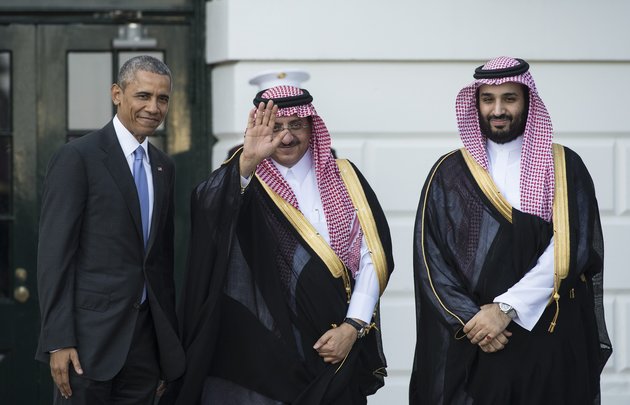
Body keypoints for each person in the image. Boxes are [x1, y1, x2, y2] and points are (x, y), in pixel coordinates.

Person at [172, 85, 394, 404]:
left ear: (311, 126)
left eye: (295, 125)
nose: (287, 137)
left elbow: (372, 256)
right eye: (276, 127)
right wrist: (248, 159)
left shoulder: (346, 177)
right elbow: (206, 207)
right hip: (268, 350)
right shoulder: (246, 180)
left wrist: (353, 326)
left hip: (336, 343)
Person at [409, 56, 612, 404]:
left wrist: (505, 309)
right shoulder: (449, 171)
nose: (498, 109)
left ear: (528, 101)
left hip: (549, 334)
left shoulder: (564, 165)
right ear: (476, 104)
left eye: (510, 98)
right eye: (488, 99)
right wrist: (475, 320)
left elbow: (570, 248)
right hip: (475, 340)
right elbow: (431, 260)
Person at [36, 55, 185, 404]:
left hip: (145, 349)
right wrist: (58, 339)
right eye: (143, 96)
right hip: (86, 347)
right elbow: (55, 256)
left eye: (162, 99)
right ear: (117, 94)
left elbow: (159, 264)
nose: (153, 107)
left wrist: (165, 349)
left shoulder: (164, 167)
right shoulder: (78, 158)